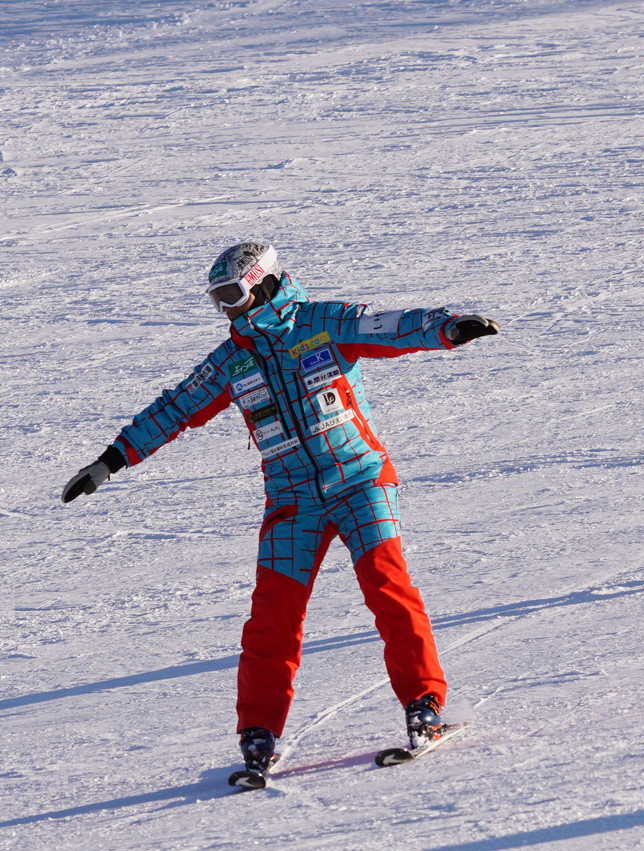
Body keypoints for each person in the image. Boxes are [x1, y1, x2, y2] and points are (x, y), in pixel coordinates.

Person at [61, 242, 500, 774]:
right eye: (217, 299)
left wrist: (448, 328)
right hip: (292, 501)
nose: (226, 308)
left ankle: (423, 705)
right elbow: (175, 407)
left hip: (359, 479)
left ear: (263, 282)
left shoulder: (323, 322)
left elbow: (390, 326)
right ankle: (258, 732)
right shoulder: (231, 360)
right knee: (273, 616)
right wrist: (111, 460)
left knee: (389, 587)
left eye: (232, 294)